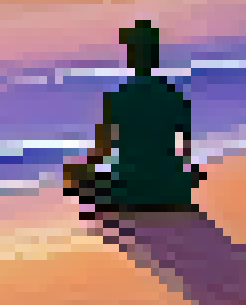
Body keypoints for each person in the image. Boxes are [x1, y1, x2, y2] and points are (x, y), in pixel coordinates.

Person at [64, 19, 203, 213]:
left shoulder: (117, 98)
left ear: (131, 56)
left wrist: (81, 171)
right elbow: (186, 150)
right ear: (155, 56)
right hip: (169, 189)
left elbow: (102, 151)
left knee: (76, 176)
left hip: (129, 191)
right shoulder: (174, 96)